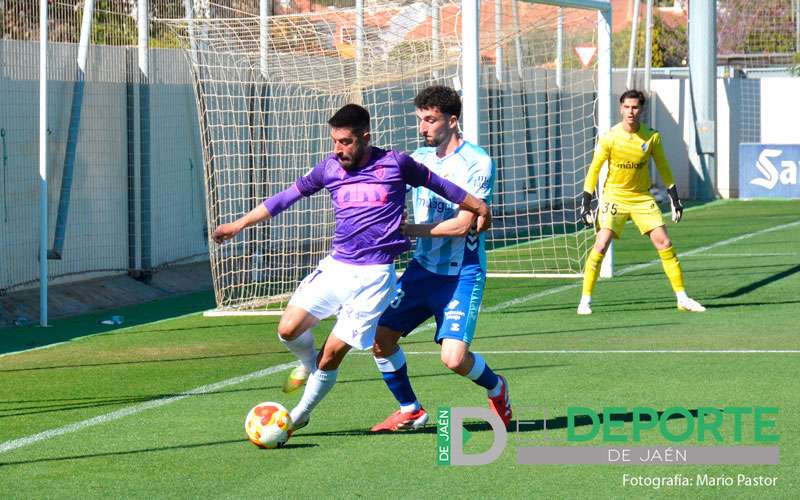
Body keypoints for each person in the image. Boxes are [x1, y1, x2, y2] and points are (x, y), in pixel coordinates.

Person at [212, 103, 491, 432]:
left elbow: (441, 186)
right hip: (336, 267)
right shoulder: (329, 168)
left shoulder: (396, 164)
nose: (338, 149)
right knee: (288, 329)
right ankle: (306, 363)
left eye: (345, 141)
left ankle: (296, 417)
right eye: (334, 141)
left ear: (365, 138)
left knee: (331, 354)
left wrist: (478, 205)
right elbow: (285, 198)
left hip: (374, 279)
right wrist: (238, 224)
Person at [369, 86, 511, 432]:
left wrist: (406, 231)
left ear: (452, 120)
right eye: (420, 120)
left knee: (454, 359)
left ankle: (497, 388)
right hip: (421, 270)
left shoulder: (478, 162)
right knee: (380, 339)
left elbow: (463, 225)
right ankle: (410, 409)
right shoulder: (418, 160)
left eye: (430, 120)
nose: (423, 127)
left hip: (462, 273)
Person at [577, 89, 705, 315]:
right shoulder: (609, 137)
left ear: (641, 110)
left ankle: (682, 298)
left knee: (664, 243)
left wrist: (674, 198)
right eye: (626, 107)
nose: (630, 112)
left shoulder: (651, 137)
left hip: (642, 198)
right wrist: (586, 201)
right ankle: (585, 300)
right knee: (601, 244)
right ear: (620, 108)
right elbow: (594, 168)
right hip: (614, 196)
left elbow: (664, 166)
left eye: (635, 107)